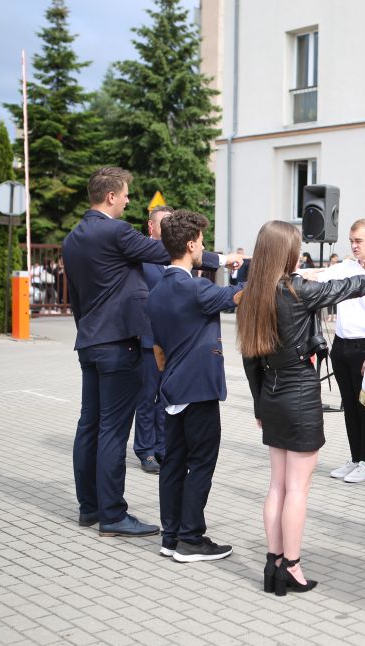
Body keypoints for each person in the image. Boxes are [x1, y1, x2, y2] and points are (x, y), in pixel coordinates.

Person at [62, 166, 240, 537]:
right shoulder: (116, 231)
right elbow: (166, 251)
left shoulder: (72, 238)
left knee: (88, 425)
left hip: (90, 342)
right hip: (118, 344)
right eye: (126, 194)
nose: (128, 201)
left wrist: (88, 331)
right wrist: (222, 260)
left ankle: (89, 507)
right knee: (113, 430)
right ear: (111, 196)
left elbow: (76, 298)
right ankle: (113, 514)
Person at [238, 220, 365, 596]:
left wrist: (259, 405)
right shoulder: (297, 290)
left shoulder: (252, 294)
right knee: (297, 489)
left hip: (271, 394)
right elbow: (351, 286)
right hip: (299, 393)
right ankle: (291, 566)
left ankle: (273, 563)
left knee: (277, 486)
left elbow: (250, 362)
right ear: (287, 253)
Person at [147, 210, 243, 562]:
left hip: (172, 389)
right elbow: (237, 296)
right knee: (201, 462)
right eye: (201, 241)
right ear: (190, 245)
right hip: (199, 389)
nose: (203, 247)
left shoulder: (157, 290)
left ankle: (170, 535)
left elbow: (158, 348)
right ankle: (191, 538)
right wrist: (268, 274)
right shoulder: (196, 288)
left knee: (173, 463)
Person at [317, 219, 365, 484]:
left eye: (359, 241)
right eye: (351, 241)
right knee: (348, 405)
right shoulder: (346, 267)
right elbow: (318, 276)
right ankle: (355, 458)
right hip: (342, 345)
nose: (354, 246)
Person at [133, 204, 175, 475]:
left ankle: (162, 447)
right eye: (164, 223)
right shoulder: (141, 255)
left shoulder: (176, 255)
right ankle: (145, 450)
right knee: (148, 397)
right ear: (151, 226)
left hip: (173, 339)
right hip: (148, 338)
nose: (169, 228)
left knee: (167, 397)